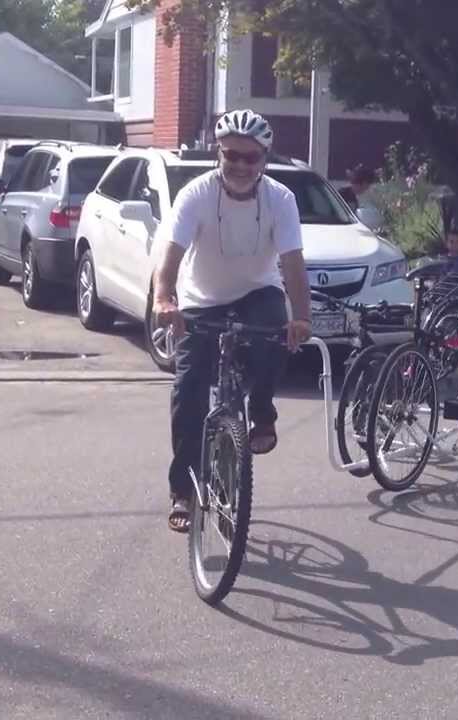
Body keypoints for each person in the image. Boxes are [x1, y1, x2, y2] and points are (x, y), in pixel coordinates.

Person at [151, 109, 313, 533]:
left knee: (273, 337)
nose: (241, 165)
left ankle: (261, 410)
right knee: (187, 391)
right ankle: (183, 489)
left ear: (264, 158)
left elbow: (293, 264)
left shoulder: (281, 199)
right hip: (202, 299)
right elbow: (169, 255)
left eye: (251, 157)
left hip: (257, 291)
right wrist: (165, 298)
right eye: (232, 156)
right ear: (218, 155)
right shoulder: (196, 194)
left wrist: (302, 318)